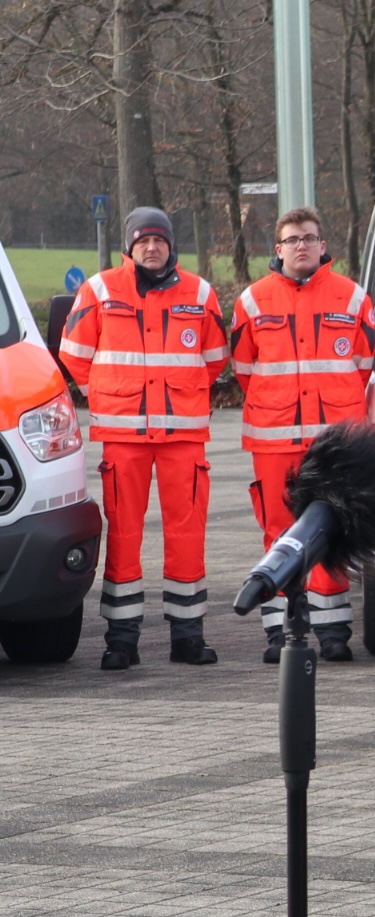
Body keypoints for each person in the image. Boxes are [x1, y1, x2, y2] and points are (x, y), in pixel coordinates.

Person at [56, 207, 230, 669]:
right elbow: (73, 356)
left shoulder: (200, 293)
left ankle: (189, 637)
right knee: (125, 536)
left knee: (187, 534)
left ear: (171, 245)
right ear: (128, 248)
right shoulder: (99, 290)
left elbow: (215, 360)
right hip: (124, 436)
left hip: (183, 437)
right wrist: (109, 395)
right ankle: (122, 640)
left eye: (159, 240)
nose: (151, 247)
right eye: (142, 241)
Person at [229, 207, 375, 662]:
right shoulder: (252, 302)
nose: (301, 246)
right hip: (273, 439)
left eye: (309, 238)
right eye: (292, 239)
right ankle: (279, 633)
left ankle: (334, 631)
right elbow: (245, 369)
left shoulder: (353, 298)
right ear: (278, 249)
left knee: (332, 533)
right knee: (278, 532)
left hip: (333, 443)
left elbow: (364, 363)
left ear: (322, 245)